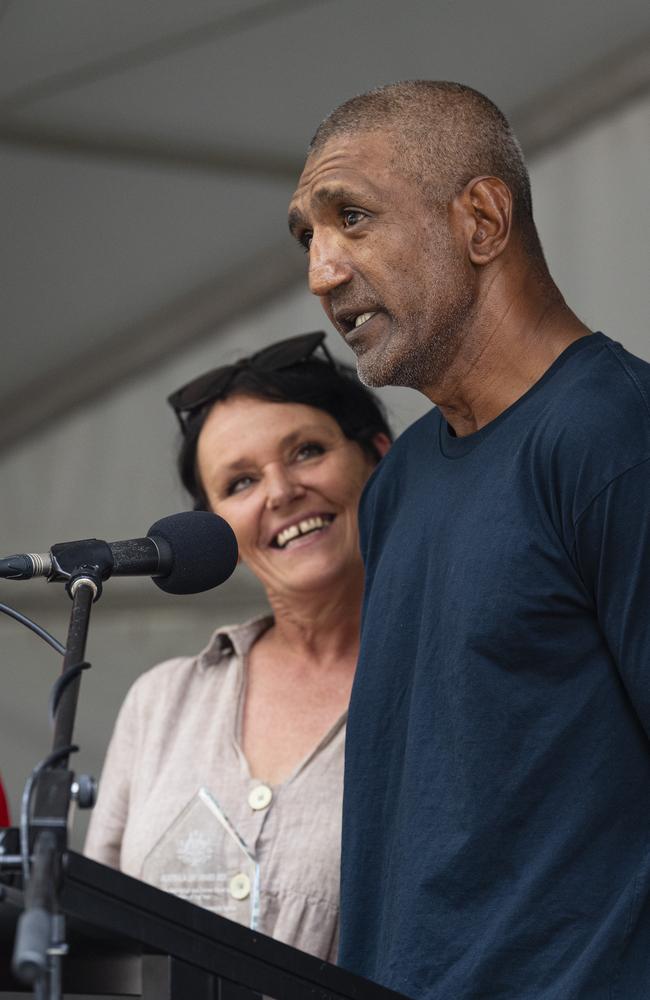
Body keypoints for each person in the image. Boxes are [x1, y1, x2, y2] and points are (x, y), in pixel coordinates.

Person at [288, 81, 650, 998]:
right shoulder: (400, 483)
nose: (321, 272)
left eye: (352, 218)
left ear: (482, 220)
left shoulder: (614, 434)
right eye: (307, 236)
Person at [85, 331, 391, 961]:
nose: (280, 493)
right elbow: (98, 946)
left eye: (307, 451)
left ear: (378, 458)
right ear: (212, 530)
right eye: (241, 483)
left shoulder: (447, 680)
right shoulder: (161, 702)